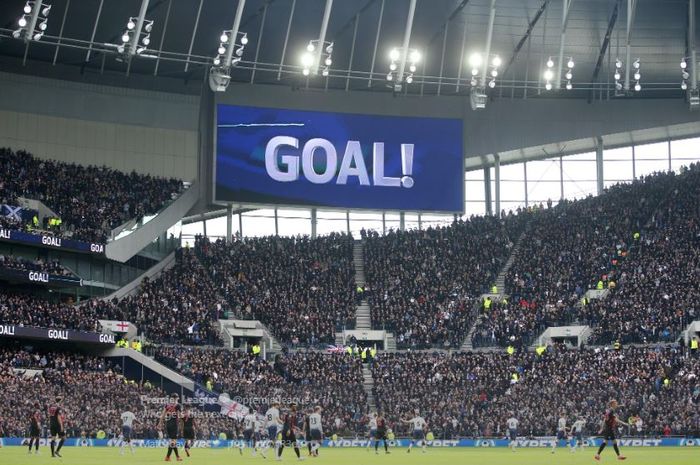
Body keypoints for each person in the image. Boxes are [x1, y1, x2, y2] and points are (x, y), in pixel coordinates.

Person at [160, 394, 182, 462]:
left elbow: (162, 415)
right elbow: (179, 415)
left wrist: (160, 423)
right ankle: (167, 457)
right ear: (177, 398)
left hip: (168, 424)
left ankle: (178, 457)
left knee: (173, 441)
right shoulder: (178, 405)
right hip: (174, 424)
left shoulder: (167, 405)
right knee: (173, 441)